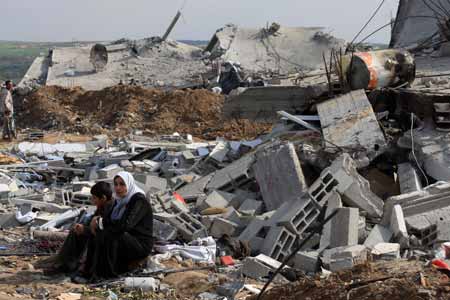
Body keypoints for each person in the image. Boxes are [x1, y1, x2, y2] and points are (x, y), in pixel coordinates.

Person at [85, 171, 153, 280]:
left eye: (122, 184)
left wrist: (100, 221)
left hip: (140, 243)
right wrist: (98, 221)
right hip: (127, 238)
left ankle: (109, 275)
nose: (118, 188)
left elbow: (125, 225)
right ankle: (90, 272)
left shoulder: (139, 200)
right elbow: (111, 219)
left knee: (112, 234)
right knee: (99, 234)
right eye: (116, 184)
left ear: (129, 184)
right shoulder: (119, 201)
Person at [36, 181, 115, 275]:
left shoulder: (111, 209)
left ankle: (67, 265)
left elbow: (104, 229)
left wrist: (85, 229)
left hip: (106, 241)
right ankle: (64, 262)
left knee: (78, 235)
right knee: (75, 231)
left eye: (95, 198)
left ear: (103, 198)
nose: (93, 201)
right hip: (97, 234)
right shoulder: (103, 206)